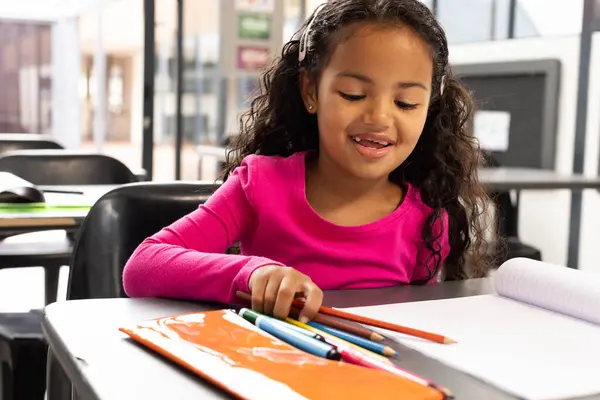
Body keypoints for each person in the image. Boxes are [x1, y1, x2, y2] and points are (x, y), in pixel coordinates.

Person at [123, 0, 492, 323]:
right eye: (353, 94)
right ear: (310, 91)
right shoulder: (260, 185)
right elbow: (144, 265)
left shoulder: (429, 221)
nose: (380, 117)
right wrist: (253, 274)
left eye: (406, 103)